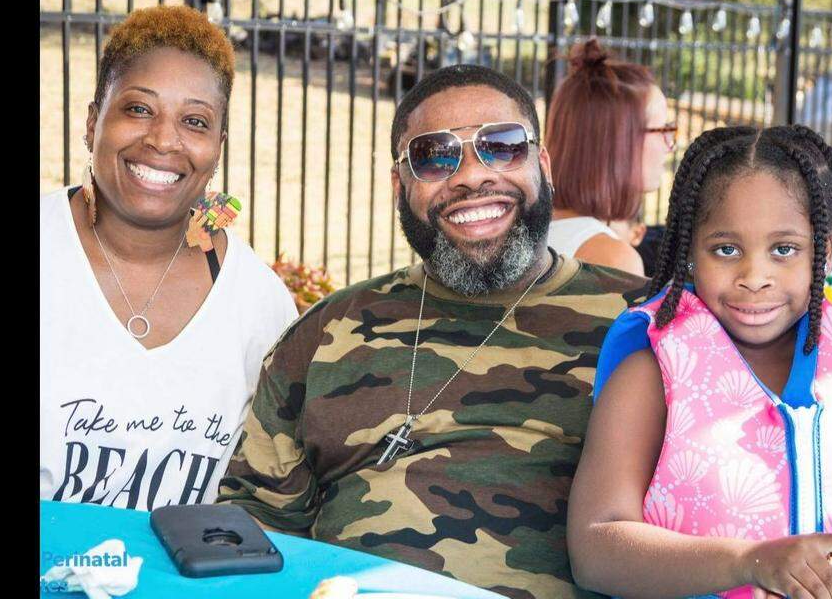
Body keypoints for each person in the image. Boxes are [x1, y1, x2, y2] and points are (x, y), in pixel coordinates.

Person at [218, 64, 648, 598]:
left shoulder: (640, 326)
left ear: (543, 164)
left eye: (502, 145)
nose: (471, 175)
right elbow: (251, 524)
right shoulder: (328, 332)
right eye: (435, 156)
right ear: (400, 185)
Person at [567, 125, 832, 599]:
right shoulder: (649, 379)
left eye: (784, 250)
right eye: (726, 249)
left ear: (826, 249)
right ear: (690, 249)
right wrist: (747, 563)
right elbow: (595, 546)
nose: (755, 277)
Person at [40, 6, 297, 510]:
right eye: (138, 109)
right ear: (93, 122)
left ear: (218, 147)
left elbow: (269, 498)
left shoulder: (260, 307)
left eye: (195, 121)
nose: (162, 139)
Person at [545, 38, 675, 276]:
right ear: (620, 141)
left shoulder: (538, 230)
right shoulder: (612, 259)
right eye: (664, 131)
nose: (670, 146)